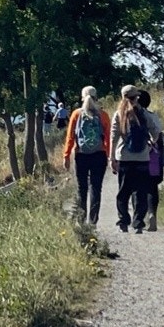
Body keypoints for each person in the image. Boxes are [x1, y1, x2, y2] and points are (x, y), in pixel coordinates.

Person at [111, 84, 163, 234]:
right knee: (140, 191)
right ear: (136, 98)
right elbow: (156, 131)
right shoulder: (144, 113)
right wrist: (151, 142)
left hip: (124, 158)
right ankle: (138, 223)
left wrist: (112, 157)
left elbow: (113, 137)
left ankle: (123, 222)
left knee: (123, 191)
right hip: (142, 158)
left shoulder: (119, 114)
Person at [62, 86, 110, 224]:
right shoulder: (103, 115)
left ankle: (81, 220)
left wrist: (66, 156)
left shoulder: (76, 114)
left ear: (82, 98)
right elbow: (108, 137)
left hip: (81, 155)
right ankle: (93, 221)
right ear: (96, 98)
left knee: (81, 188)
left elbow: (70, 137)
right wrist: (109, 155)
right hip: (99, 155)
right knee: (96, 188)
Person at [137, 88, 164, 231]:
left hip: (137, 155)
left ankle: (139, 218)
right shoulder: (153, 117)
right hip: (154, 154)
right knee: (152, 186)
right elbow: (159, 137)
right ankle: (152, 213)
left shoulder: (131, 116)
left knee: (136, 186)